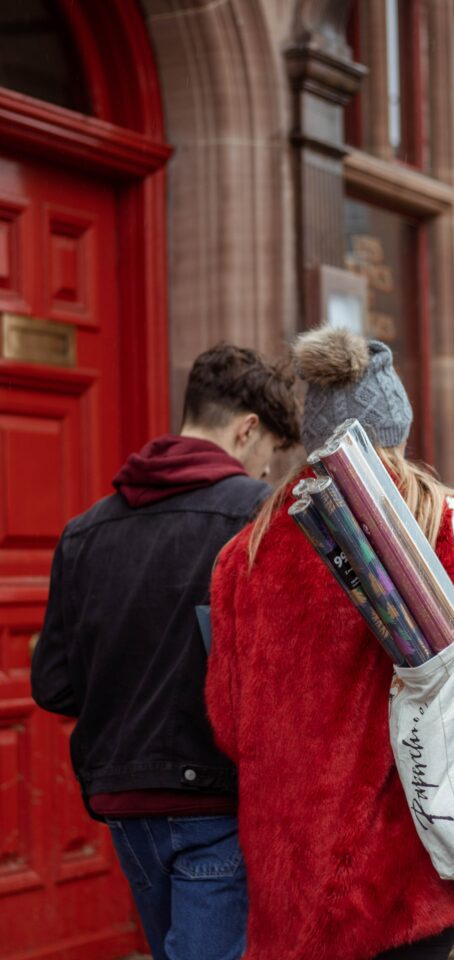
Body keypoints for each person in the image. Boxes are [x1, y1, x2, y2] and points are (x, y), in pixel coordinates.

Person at [205, 327, 454, 960]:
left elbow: (230, 725)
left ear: (315, 435)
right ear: (397, 425)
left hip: (292, 871)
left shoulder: (247, 552)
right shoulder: (449, 522)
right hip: (406, 869)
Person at [31, 343, 300, 960]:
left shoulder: (85, 530)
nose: (265, 473)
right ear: (247, 429)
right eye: (268, 458)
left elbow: (53, 685)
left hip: (125, 804)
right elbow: (293, 671)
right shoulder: (256, 517)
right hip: (217, 800)